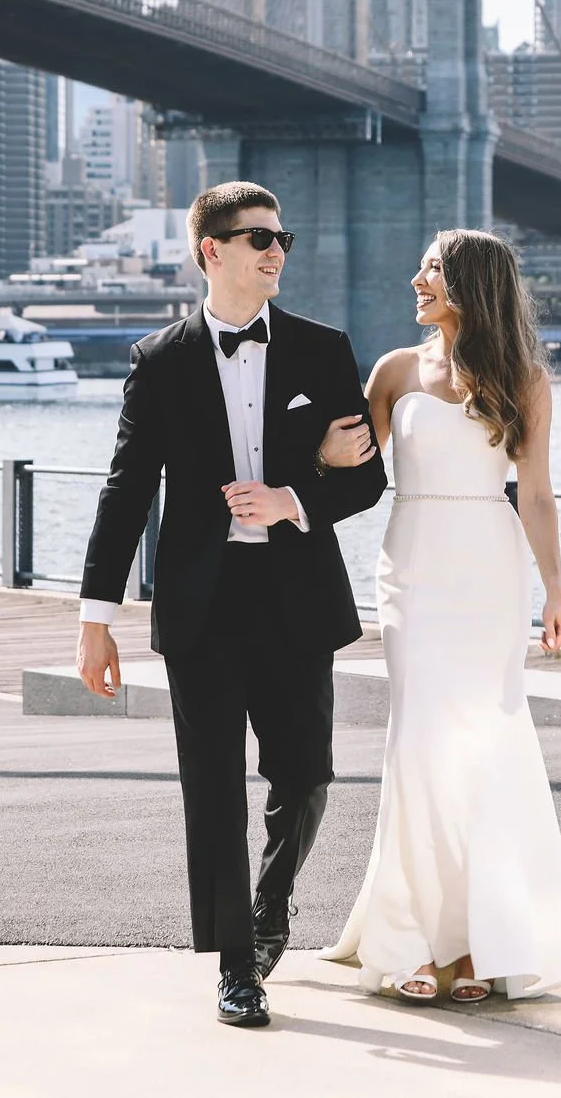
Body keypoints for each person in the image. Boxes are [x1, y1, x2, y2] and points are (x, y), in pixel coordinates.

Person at [75, 181, 388, 1028]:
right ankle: (236, 965)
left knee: (308, 774)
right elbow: (126, 490)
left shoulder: (323, 350)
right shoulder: (160, 359)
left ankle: (271, 903)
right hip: (202, 605)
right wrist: (94, 619)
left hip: (296, 594)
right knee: (212, 787)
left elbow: (369, 477)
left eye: (282, 235)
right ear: (211, 250)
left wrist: (295, 491)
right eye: (258, 237)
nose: (276, 250)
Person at [320, 227, 561, 1003]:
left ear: (471, 283)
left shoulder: (526, 379)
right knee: (418, 740)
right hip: (412, 564)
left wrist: (556, 592)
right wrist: (318, 463)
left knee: (482, 744)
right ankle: (411, 936)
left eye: (432, 269)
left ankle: (475, 942)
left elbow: (535, 493)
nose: (416, 279)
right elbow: (353, 466)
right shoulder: (393, 370)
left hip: (488, 568)